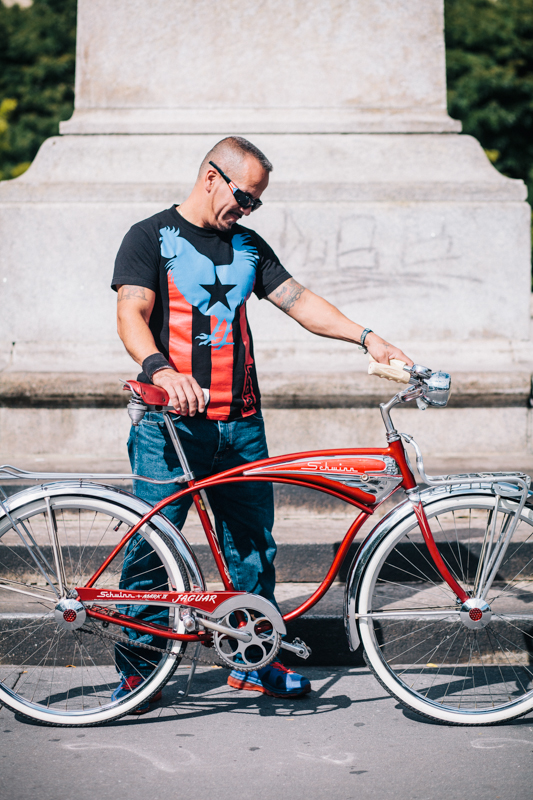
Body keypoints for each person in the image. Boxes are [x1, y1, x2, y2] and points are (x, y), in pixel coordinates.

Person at [111, 136, 412, 712]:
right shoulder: (149, 236)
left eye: (256, 203)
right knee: (152, 547)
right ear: (210, 177)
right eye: (243, 197)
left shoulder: (247, 245)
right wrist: (160, 368)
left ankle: (251, 659)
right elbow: (131, 311)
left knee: (252, 549)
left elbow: (299, 301)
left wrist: (367, 337)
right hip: (170, 424)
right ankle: (138, 670)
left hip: (243, 423)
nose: (246, 211)